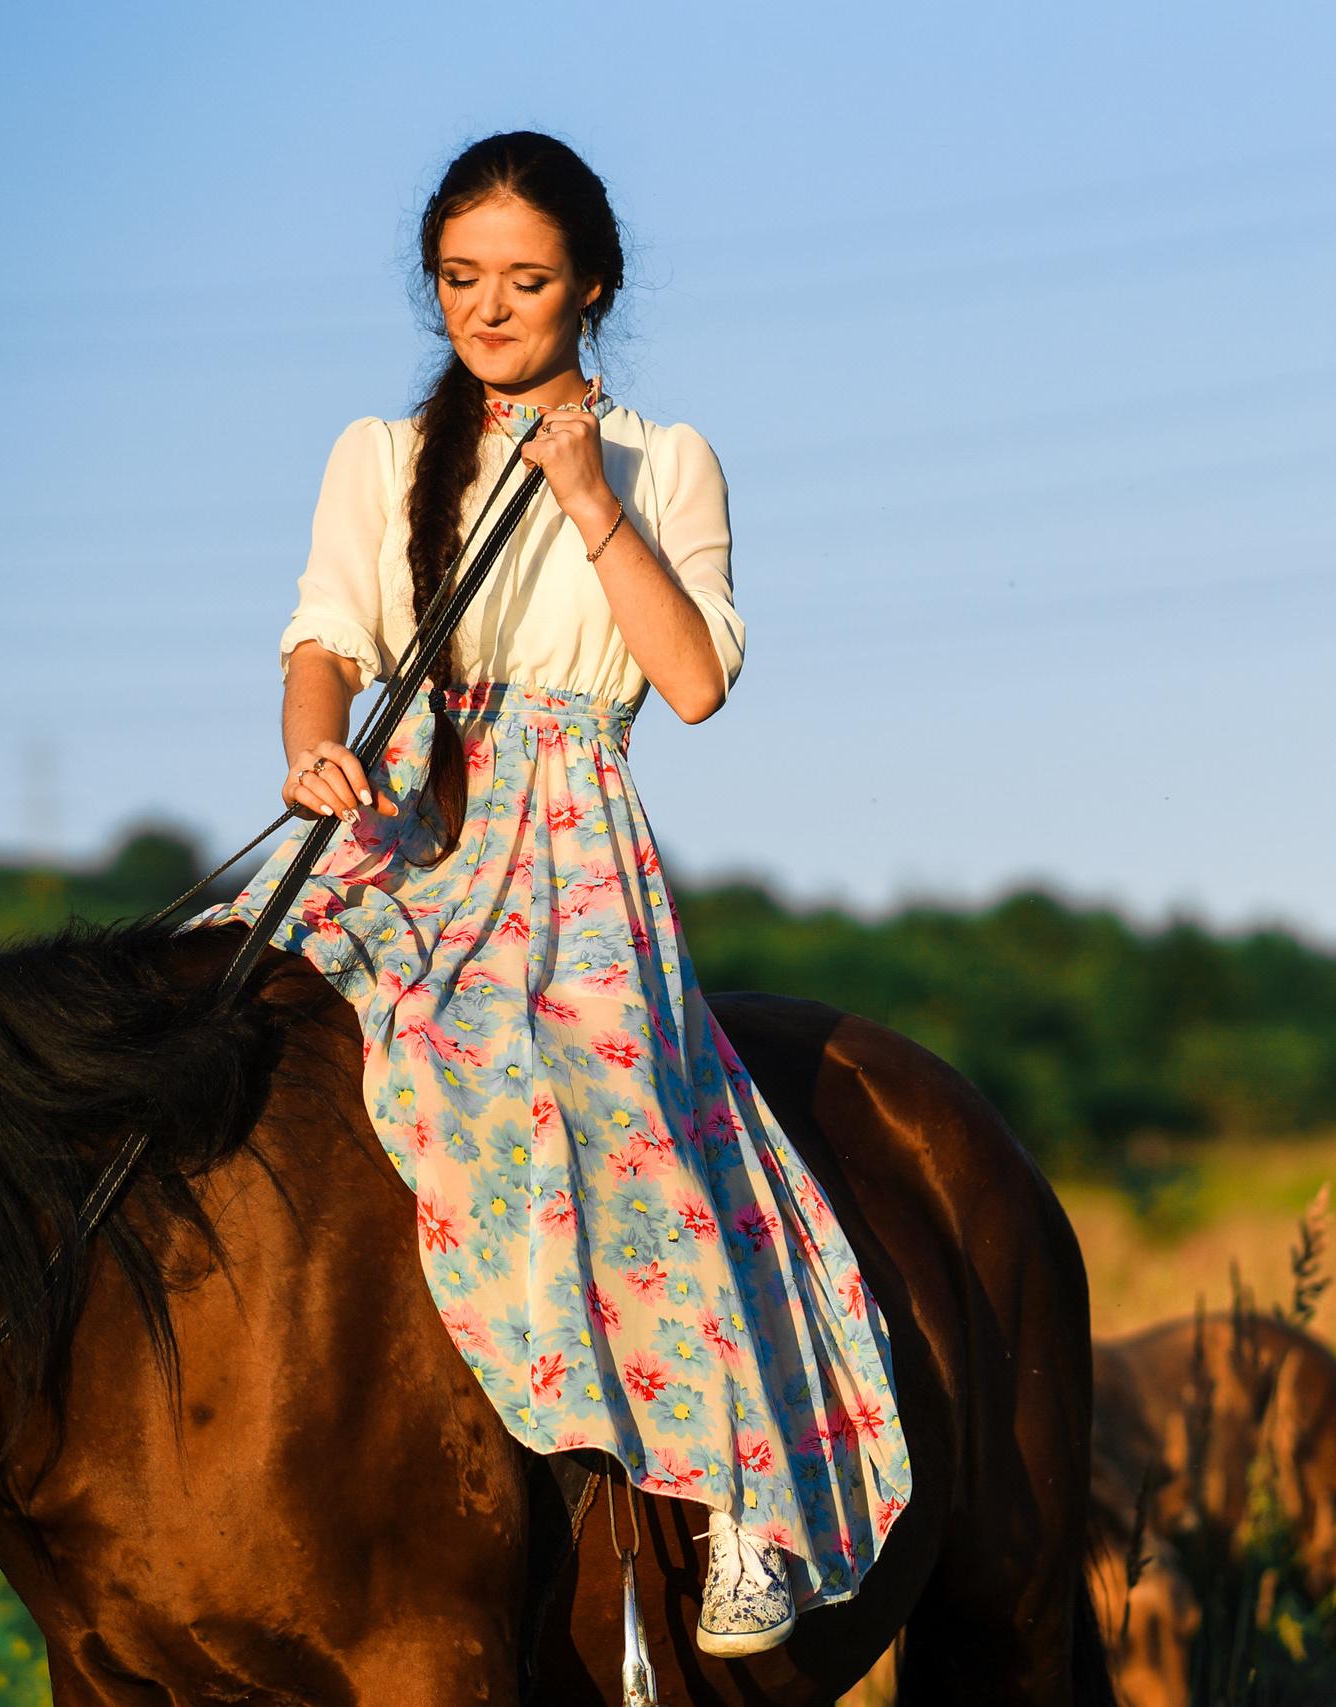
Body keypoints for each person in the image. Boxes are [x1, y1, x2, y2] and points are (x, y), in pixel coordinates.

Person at [191, 132, 908, 1658]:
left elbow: (696, 684)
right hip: (412, 816)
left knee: (624, 1109)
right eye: (461, 280)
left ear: (593, 286)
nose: (489, 309)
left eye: (524, 281)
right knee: (213, 1019)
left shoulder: (669, 458)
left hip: (569, 836)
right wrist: (317, 748)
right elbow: (323, 639)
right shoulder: (376, 457)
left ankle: (739, 1511)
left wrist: (590, 496)